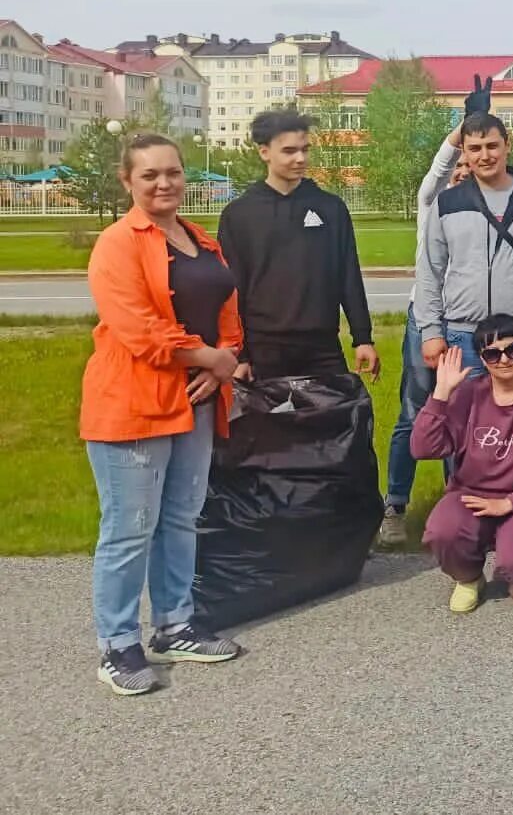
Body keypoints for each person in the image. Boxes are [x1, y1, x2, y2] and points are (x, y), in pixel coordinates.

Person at [81, 133, 245, 695]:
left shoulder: (198, 239)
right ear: (127, 181)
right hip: (134, 403)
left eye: (172, 172)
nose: (164, 183)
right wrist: (211, 358)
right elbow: (138, 329)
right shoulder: (118, 243)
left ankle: (175, 623)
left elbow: (227, 310)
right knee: (130, 529)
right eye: (149, 175)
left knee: (180, 518)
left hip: (194, 401)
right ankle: (117, 644)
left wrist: (224, 361)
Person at [377, 78, 487, 546]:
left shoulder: (485, 207)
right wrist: (464, 127)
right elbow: (441, 165)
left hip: (467, 324)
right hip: (426, 319)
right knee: (414, 412)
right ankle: (395, 506)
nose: (463, 170)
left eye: (470, 165)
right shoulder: (432, 202)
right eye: (458, 165)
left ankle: (453, 500)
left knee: (460, 416)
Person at [411, 315, 513, 614]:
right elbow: (423, 448)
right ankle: (469, 577)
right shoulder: (467, 395)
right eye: (492, 353)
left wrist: (511, 503)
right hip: (470, 493)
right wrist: (440, 395)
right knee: (441, 532)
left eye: (512, 349)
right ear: (483, 359)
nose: (504, 359)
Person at [218, 109, 378, 382]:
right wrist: (240, 355)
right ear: (264, 152)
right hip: (264, 349)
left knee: (331, 423)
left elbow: (348, 275)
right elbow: (231, 289)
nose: (300, 158)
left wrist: (362, 337)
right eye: (289, 151)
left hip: (323, 347)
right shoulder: (239, 214)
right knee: (270, 425)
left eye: (305, 149)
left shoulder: (331, 208)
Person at [414, 111, 513, 380]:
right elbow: (430, 270)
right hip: (463, 337)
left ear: (507, 145)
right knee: (466, 420)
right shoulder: (447, 203)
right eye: (475, 148)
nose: (484, 156)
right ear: (463, 151)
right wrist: (430, 331)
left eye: (492, 146)